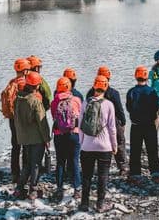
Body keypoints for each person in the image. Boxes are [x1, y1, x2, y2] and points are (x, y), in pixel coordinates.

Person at [79, 75, 117, 213]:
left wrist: (82, 143)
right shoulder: (109, 105)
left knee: (87, 175)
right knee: (103, 176)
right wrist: (114, 145)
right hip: (104, 146)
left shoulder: (85, 103)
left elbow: (80, 125)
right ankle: (100, 204)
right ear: (106, 87)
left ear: (94, 86)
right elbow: (112, 128)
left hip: (87, 146)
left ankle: (84, 203)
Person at [14, 72, 51, 200]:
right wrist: (47, 139)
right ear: (37, 85)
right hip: (36, 138)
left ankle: (19, 188)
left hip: (24, 138)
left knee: (27, 164)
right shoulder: (35, 100)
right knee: (35, 164)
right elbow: (42, 122)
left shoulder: (18, 98)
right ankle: (33, 189)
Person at [86, 66, 127, 175]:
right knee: (119, 143)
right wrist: (123, 122)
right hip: (113, 122)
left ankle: (94, 165)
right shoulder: (113, 93)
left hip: (95, 123)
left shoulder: (90, 92)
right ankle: (122, 166)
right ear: (109, 77)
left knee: (95, 143)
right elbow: (119, 109)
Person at [126, 66, 159, 183]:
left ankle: (135, 174)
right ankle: (156, 173)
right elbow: (156, 107)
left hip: (136, 125)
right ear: (147, 77)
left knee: (135, 150)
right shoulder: (152, 91)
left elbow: (128, 107)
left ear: (136, 76)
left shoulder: (131, 92)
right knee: (152, 149)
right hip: (149, 124)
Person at [51, 76, 82, 202]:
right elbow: (79, 115)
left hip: (59, 134)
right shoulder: (76, 100)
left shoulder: (54, 102)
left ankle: (59, 188)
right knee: (74, 161)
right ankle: (77, 189)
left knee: (60, 162)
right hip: (73, 134)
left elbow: (54, 116)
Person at [2, 58, 31, 183]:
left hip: (12, 118)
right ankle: (25, 172)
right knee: (26, 145)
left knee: (15, 145)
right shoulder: (26, 83)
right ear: (25, 70)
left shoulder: (11, 83)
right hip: (23, 119)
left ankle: (15, 173)